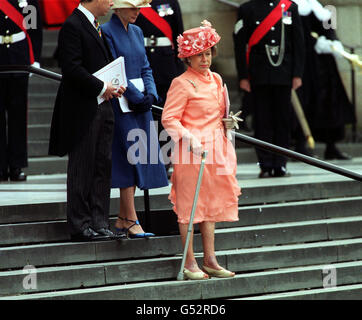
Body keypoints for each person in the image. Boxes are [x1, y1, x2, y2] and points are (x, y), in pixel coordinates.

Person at [162, 20, 241, 280]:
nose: (204, 59)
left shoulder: (217, 79)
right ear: (188, 57)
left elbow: (219, 113)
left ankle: (210, 259)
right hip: (191, 152)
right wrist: (188, 137)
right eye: (198, 54)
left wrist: (227, 122)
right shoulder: (181, 83)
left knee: (210, 206)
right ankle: (189, 261)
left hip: (216, 150)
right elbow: (169, 119)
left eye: (207, 53)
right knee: (189, 207)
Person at [48, 0, 126, 242]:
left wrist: (114, 84)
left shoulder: (94, 25)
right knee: (83, 167)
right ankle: (80, 224)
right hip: (82, 109)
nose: (112, 2)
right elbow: (71, 68)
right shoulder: (73, 24)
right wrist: (103, 86)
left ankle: (99, 221)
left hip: (103, 105)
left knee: (102, 165)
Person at [102, 0, 169, 238]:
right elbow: (113, 69)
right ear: (118, 8)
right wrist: (134, 95)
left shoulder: (139, 31)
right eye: (133, 7)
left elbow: (145, 67)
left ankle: (124, 218)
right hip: (121, 102)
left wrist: (150, 94)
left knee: (140, 156)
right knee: (127, 159)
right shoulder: (106, 31)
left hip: (141, 103)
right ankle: (131, 218)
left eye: (139, 8)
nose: (137, 12)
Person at [233, 0, 305, 178]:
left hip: (284, 72)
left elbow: (298, 42)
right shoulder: (247, 8)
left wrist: (297, 73)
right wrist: (243, 76)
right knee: (262, 122)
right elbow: (239, 44)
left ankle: (280, 164)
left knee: (282, 121)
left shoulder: (289, 7)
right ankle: (265, 164)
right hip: (258, 74)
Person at [292, 0, 354, 160]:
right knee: (305, 101)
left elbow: (327, 28)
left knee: (330, 102)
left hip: (324, 64)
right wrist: (316, 43)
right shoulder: (290, 7)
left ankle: (331, 146)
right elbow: (295, 35)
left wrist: (333, 41)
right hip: (305, 63)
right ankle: (300, 144)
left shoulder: (316, 6)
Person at [134, 0, 185, 177]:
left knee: (167, 115)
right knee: (147, 117)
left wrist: (179, 64)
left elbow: (179, 32)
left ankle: (165, 160)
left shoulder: (170, 2)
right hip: (143, 61)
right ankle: (147, 160)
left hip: (166, 65)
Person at [0, 0, 42, 182]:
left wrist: (35, 59)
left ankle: (16, 165)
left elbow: (34, 29)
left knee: (18, 116)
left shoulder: (28, 1)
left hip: (19, 57)